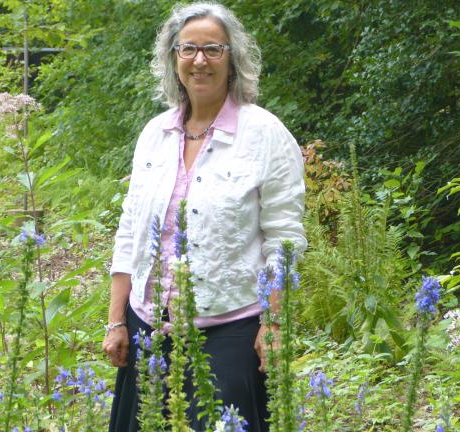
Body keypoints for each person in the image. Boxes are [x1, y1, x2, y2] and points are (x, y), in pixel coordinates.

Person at [101, 2, 306, 431]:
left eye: (213, 49)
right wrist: (117, 321)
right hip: (148, 324)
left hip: (229, 327)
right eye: (188, 49)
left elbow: (283, 240)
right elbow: (130, 234)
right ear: (173, 59)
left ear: (233, 59)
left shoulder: (265, 134)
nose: (200, 61)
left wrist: (275, 324)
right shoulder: (154, 135)